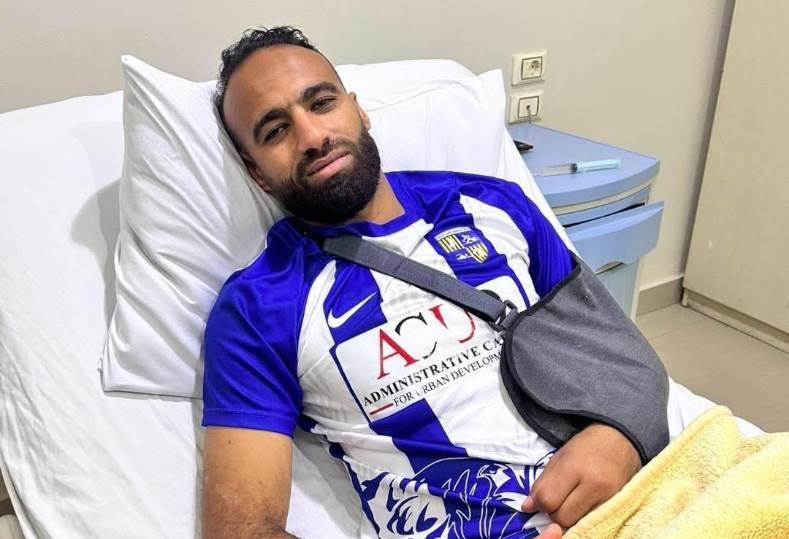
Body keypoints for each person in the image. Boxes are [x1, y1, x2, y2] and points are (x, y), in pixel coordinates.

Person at [200, 26, 641, 539]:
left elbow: (616, 348)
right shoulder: (258, 305)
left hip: (641, 501)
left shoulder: (494, 205)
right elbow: (241, 531)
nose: (313, 137)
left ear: (359, 110)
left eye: (321, 103)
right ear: (256, 172)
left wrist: (621, 436)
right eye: (276, 131)